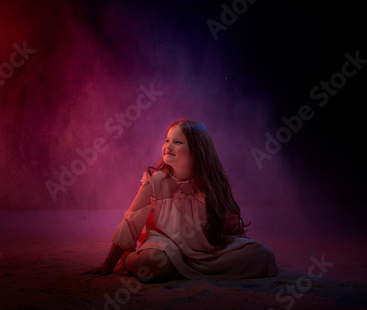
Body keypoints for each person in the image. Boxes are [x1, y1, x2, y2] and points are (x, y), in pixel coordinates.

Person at [84, 119, 279, 281]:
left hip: (205, 248)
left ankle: (182, 269)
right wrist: (108, 263)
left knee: (263, 256)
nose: (168, 146)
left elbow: (229, 221)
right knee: (152, 265)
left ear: (197, 151)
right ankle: (130, 260)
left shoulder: (215, 180)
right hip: (166, 247)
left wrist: (237, 242)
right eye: (167, 140)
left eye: (178, 142)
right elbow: (131, 222)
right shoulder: (156, 181)